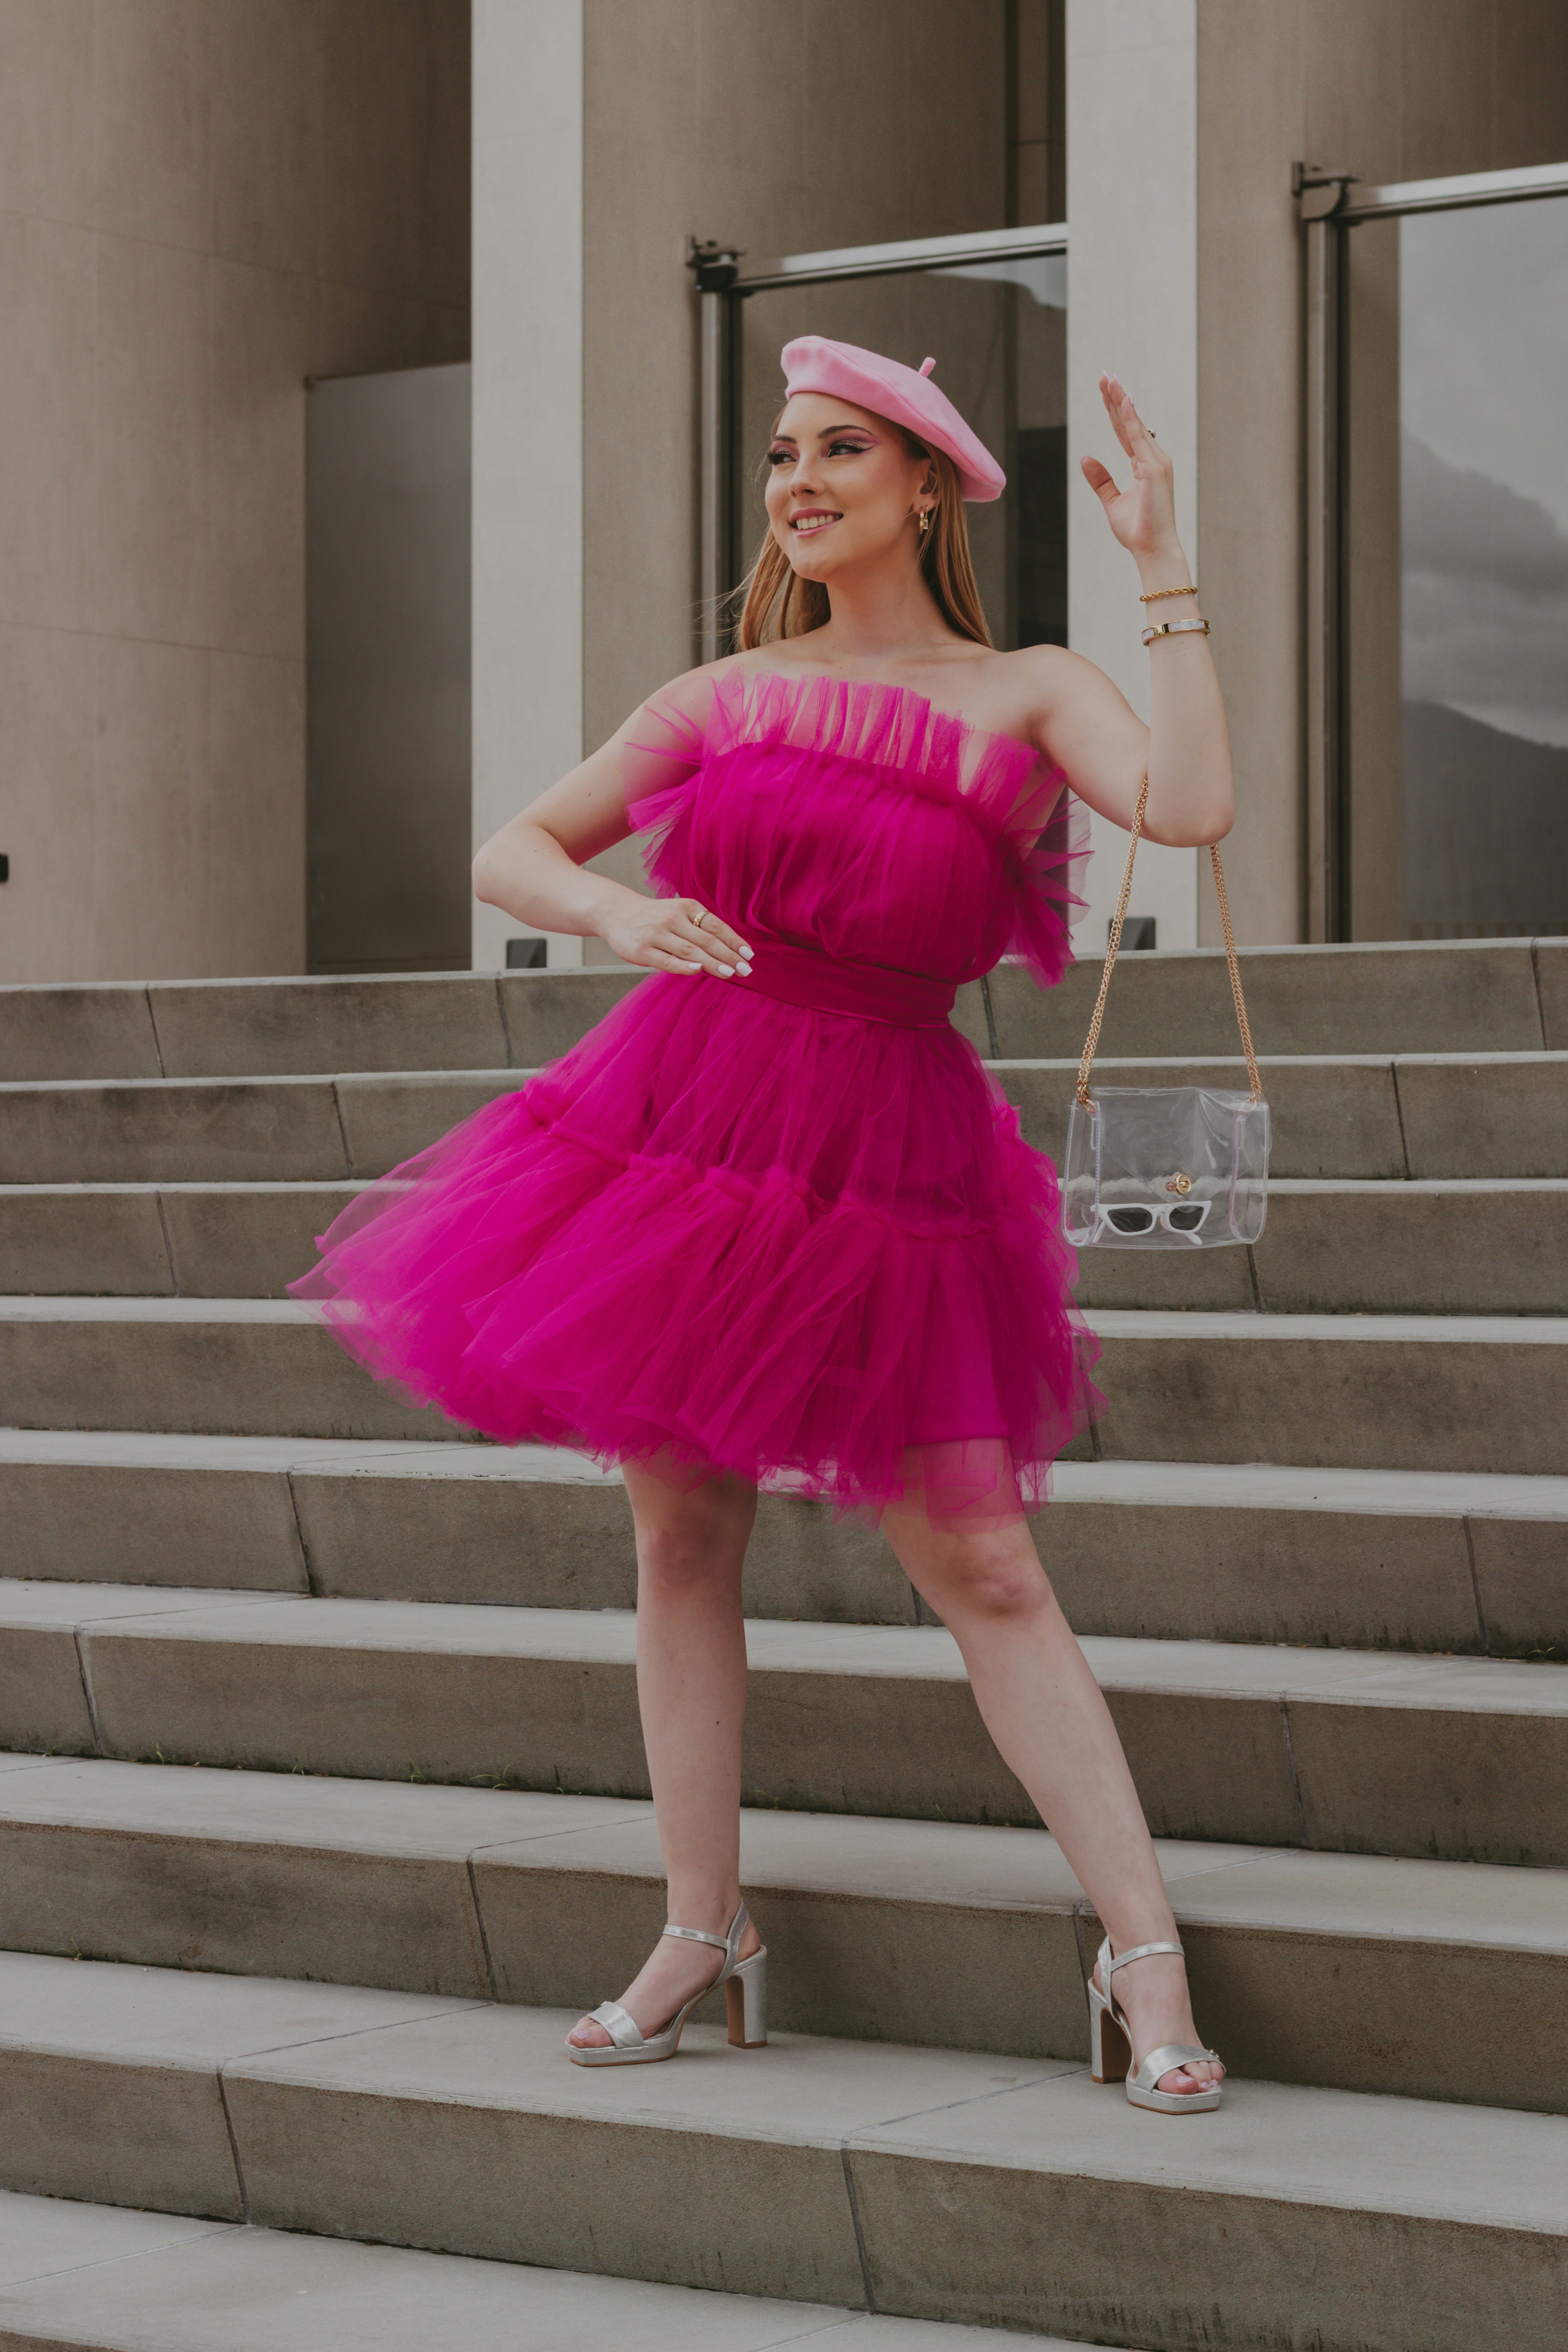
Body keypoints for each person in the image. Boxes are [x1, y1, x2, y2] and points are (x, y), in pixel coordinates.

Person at [291, 337, 1232, 2111]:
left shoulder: (1026, 688)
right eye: (785, 455)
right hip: (681, 1122)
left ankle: (1144, 1957)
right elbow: (514, 846)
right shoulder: (722, 691)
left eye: (842, 454)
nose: (798, 482)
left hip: (893, 1148)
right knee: (678, 1539)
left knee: (988, 1562)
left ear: (928, 486)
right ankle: (700, 1925)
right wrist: (611, 916)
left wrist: (1163, 570)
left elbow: (1190, 810)